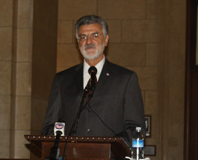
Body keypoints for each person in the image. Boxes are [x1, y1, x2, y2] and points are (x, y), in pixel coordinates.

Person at [41, 15, 145, 144]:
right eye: (83, 37)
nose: (88, 41)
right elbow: (49, 127)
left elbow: (136, 129)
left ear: (106, 40)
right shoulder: (62, 80)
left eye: (95, 36)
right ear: (78, 42)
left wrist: (107, 149)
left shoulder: (125, 78)